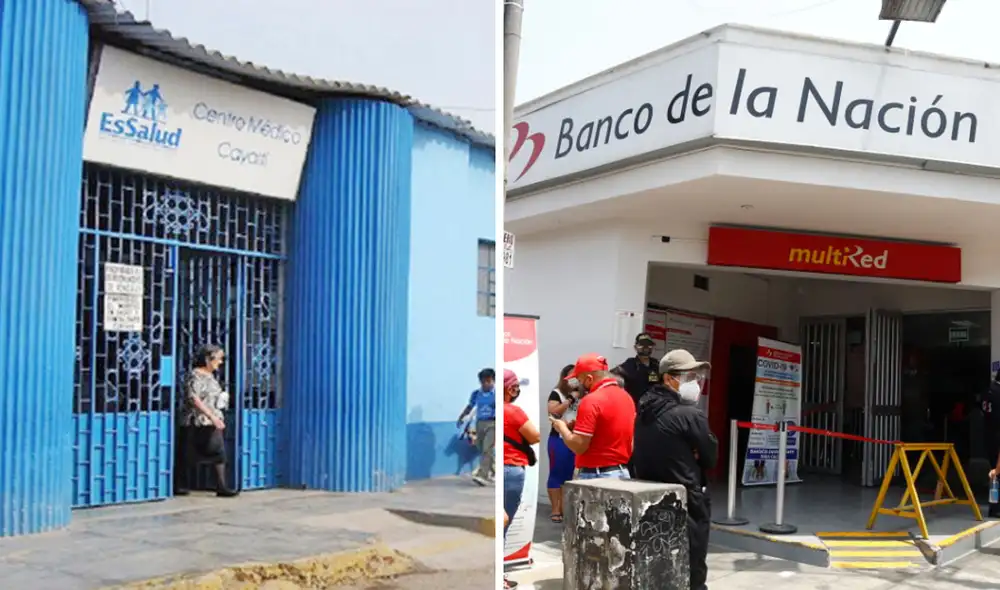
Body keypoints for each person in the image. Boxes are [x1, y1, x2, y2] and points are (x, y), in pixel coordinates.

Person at [633, 349, 718, 590]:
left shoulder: (644, 411)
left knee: (660, 560)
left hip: (652, 501)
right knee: (693, 560)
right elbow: (710, 457)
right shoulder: (689, 415)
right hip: (688, 499)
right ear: (669, 379)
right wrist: (695, 453)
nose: (695, 383)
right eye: (689, 377)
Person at [550, 353, 635, 480]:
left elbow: (579, 447)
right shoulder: (626, 397)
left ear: (589, 379)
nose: (579, 385)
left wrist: (561, 427)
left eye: (579, 380)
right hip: (621, 473)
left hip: (596, 475)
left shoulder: (591, 400)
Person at [175, 344, 239, 498]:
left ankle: (221, 485)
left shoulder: (210, 376)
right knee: (190, 454)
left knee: (218, 452)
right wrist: (211, 416)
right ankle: (182, 485)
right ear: (207, 359)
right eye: (218, 358)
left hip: (211, 420)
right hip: (197, 421)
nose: (221, 362)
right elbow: (193, 398)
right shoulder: (195, 375)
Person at [503, 368, 539, 590]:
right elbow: (534, 436)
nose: (517, 390)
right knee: (503, 524)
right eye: (515, 386)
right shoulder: (513, 411)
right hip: (512, 470)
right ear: (509, 388)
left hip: (500, 470)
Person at [546, 364, 578, 523]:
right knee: (556, 473)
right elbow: (554, 413)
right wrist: (571, 398)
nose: (574, 379)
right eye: (570, 376)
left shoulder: (585, 394)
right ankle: (555, 509)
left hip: (576, 438)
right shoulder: (557, 393)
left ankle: (566, 509)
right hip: (558, 440)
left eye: (577, 376)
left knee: (570, 475)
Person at [458, 368, 496, 486]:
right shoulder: (476, 394)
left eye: (489, 381)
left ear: (493, 381)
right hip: (480, 423)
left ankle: (483, 475)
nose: (486, 384)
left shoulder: (497, 394)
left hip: (493, 424)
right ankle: (494, 470)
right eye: (483, 382)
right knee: (481, 448)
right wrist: (462, 416)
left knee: (487, 449)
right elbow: (470, 406)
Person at [615, 333, 661, 407]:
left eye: (649, 344)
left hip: (653, 409)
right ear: (635, 347)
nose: (645, 347)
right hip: (635, 409)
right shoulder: (628, 366)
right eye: (642, 344)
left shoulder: (657, 365)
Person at [985, 370, 1000, 518]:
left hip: (990, 435)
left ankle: (993, 506)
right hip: (997, 434)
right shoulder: (998, 392)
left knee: (994, 472)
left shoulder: (989, 390)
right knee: (997, 472)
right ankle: (996, 507)